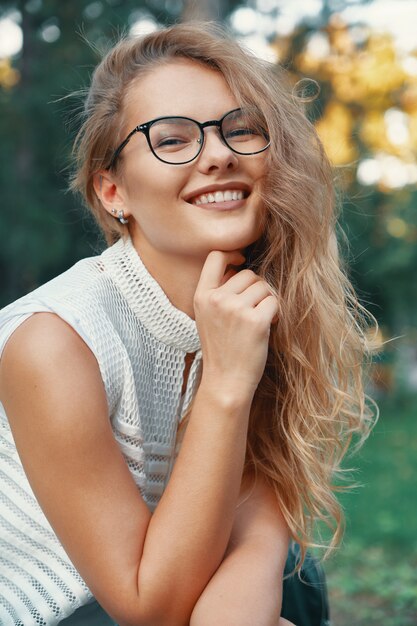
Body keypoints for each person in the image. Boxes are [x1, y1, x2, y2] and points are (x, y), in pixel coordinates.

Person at [0, 22, 374, 626]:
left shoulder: (255, 303)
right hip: (62, 608)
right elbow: (146, 606)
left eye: (242, 129)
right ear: (113, 190)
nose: (220, 153)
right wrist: (226, 384)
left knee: (295, 574)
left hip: (185, 574)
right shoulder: (54, 340)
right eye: (172, 140)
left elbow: (262, 513)